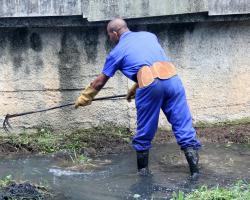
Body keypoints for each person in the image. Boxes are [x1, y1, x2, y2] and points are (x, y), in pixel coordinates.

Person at [75, 18, 201, 180]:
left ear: (115, 33)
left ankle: (143, 176)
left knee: (145, 130)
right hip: (173, 80)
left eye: (109, 35)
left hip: (150, 86)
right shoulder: (149, 36)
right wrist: (138, 85)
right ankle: (195, 173)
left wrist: (85, 97)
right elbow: (150, 61)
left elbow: (99, 82)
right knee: (183, 125)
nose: (110, 39)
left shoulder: (116, 52)